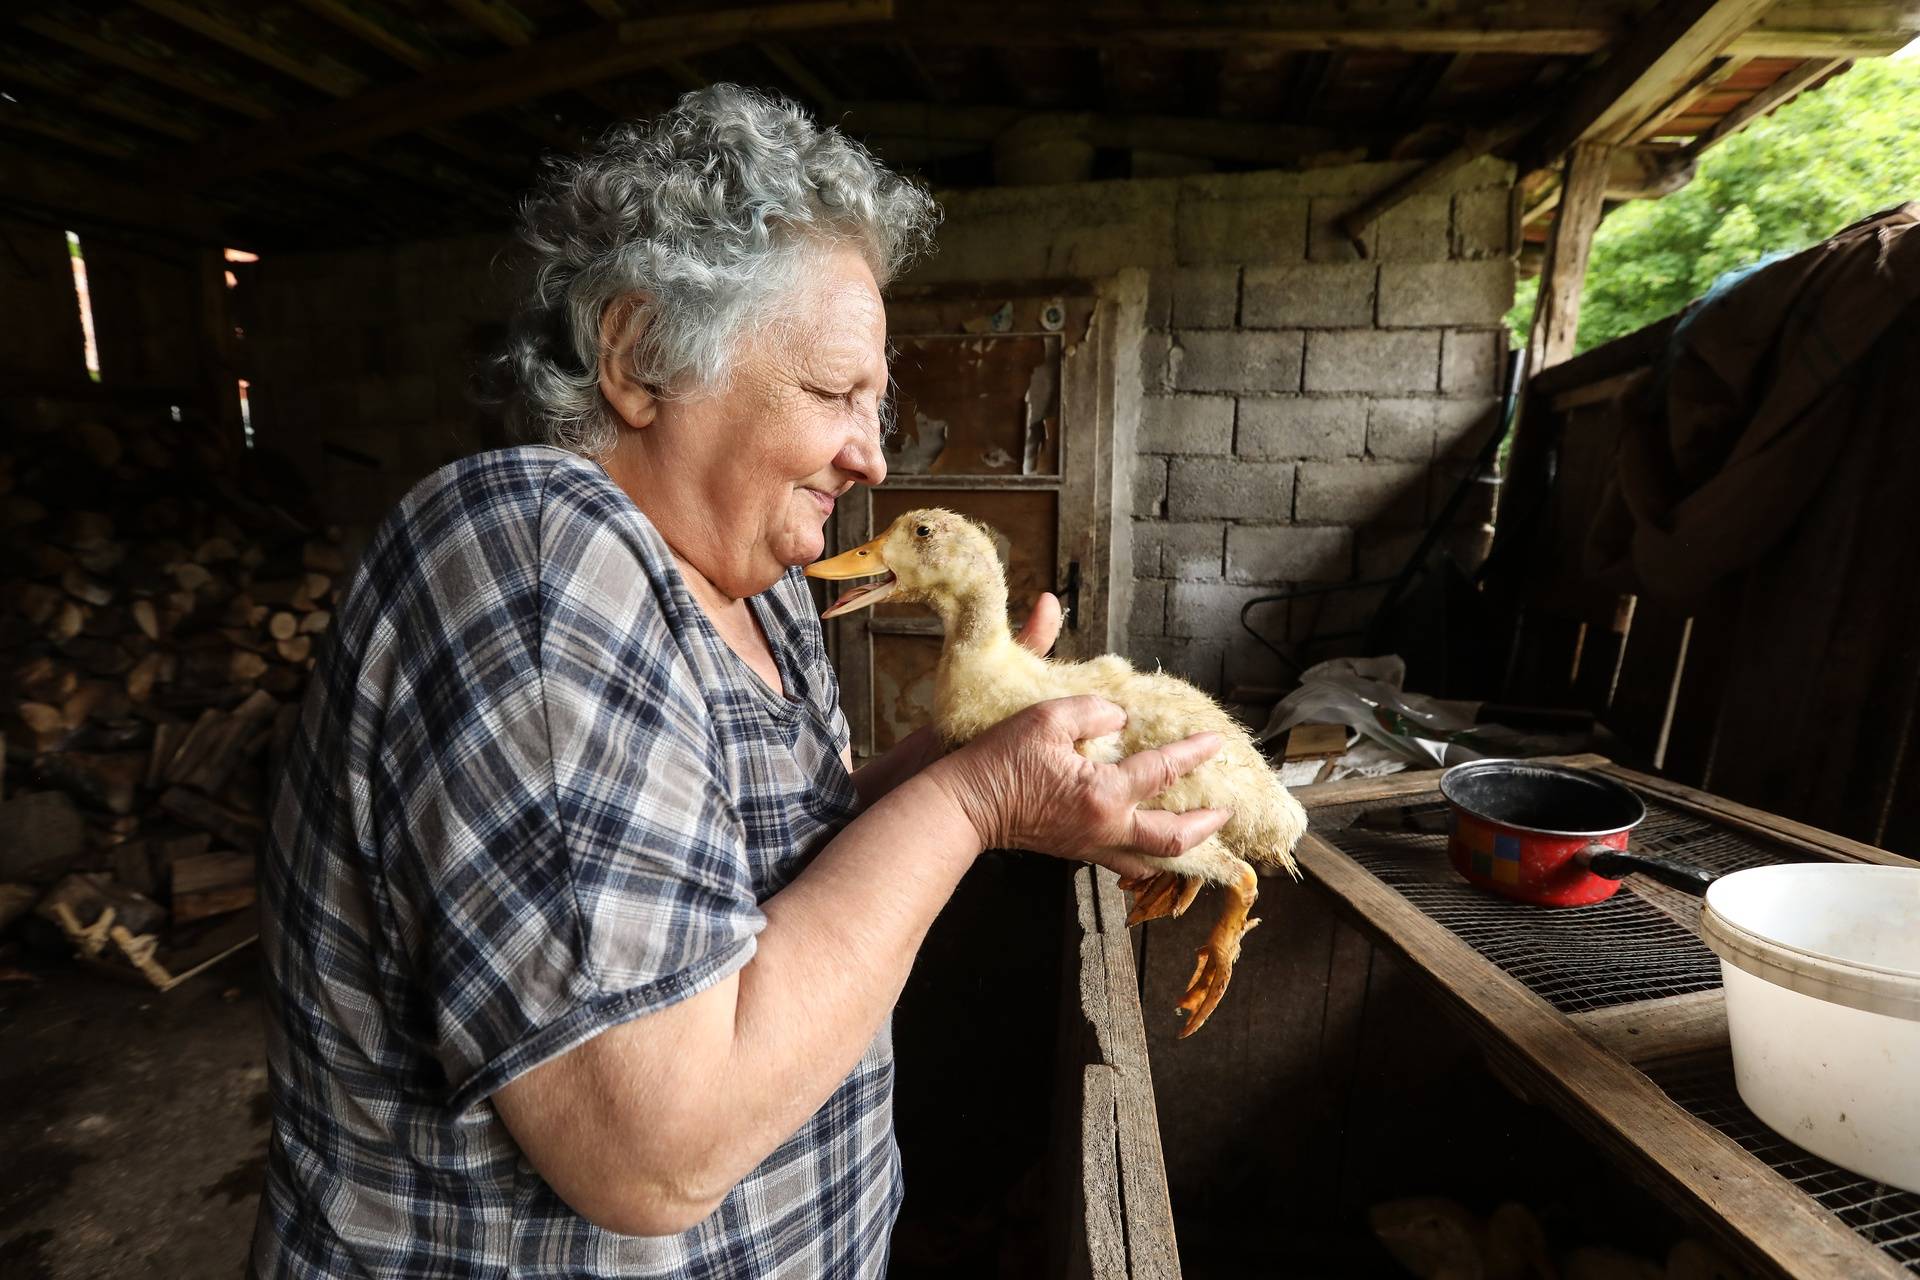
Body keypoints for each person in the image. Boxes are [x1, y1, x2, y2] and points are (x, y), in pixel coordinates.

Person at [251, 84, 1230, 1278]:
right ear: (639, 353)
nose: (872, 452)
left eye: (876, 401)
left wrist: (966, 755)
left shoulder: (755, 582)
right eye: (833, 393)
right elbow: (651, 1145)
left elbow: (743, 869)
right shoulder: (539, 558)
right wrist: (971, 803)